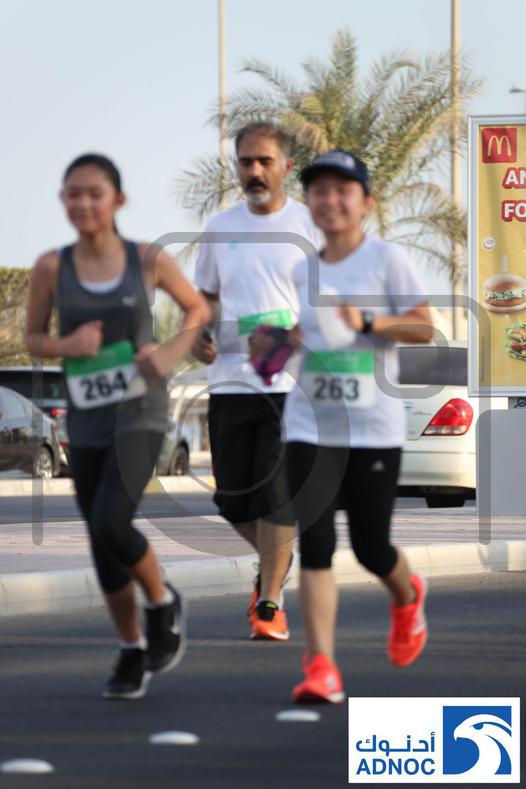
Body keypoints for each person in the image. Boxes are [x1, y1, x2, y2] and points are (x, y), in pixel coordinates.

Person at [25, 153, 210, 699]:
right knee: (101, 540)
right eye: (73, 193)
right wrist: (68, 345)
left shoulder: (147, 259)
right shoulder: (52, 267)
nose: (83, 203)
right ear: (63, 200)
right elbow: (33, 337)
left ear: (118, 201)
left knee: (111, 521)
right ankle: (131, 649)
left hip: (140, 412)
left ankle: (162, 602)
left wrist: (167, 354)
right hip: (86, 419)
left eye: (94, 193)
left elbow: (198, 311)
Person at [250, 150, 433, 702]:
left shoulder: (387, 260)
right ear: (309, 203)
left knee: (373, 548)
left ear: (365, 202)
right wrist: (274, 346)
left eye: (342, 190)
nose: (330, 200)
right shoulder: (301, 270)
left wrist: (371, 320)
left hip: (372, 428)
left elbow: (424, 328)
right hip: (311, 425)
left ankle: (407, 598)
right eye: (320, 191)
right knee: (318, 543)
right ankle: (321, 667)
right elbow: (304, 339)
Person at [192, 123, 321, 640]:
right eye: (246, 162)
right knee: (232, 501)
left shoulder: (310, 225)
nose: (255, 171)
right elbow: (206, 298)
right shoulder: (220, 228)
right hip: (229, 382)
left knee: (273, 497)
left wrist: (290, 340)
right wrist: (200, 333)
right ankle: (277, 561)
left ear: (286, 166)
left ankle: (270, 603)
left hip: (290, 386)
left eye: (265, 161)